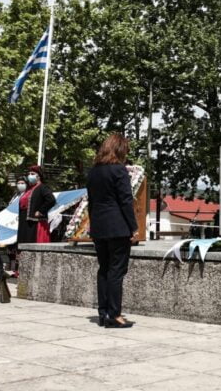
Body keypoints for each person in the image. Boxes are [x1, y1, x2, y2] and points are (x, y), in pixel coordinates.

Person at [87, 133, 137, 328]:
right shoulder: (119, 170)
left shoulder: (94, 172)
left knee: (104, 269)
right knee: (117, 271)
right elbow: (125, 200)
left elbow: (91, 201)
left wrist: (94, 224)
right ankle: (114, 314)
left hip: (99, 226)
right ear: (120, 149)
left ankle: (103, 312)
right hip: (117, 227)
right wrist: (133, 226)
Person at [26, 165, 55, 243]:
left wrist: (41, 211)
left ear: (38, 176)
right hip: (30, 222)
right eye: (29, 174)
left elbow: (51, 200)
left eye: (32, 174)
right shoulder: (30, 189)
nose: (29, 176)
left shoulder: (43, 187)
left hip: (39, 222)